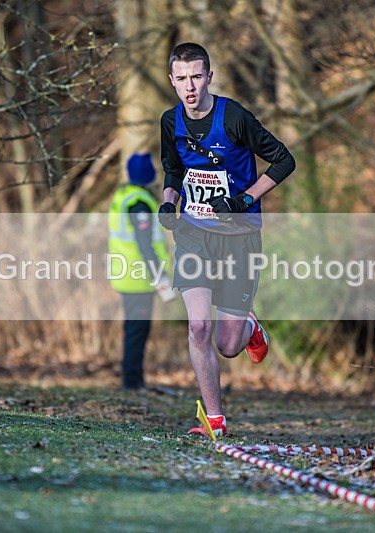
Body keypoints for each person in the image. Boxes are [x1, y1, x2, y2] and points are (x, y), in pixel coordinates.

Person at [157, 42, 295, 437]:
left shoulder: (234, 117)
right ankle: (214, 422)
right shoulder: (170, 122)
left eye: (197, 77)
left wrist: (243, 198)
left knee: (227, 345)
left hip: (239, 237)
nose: (190, 87)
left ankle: (248, 327)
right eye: (182, 79)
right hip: (194, 235)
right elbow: (172, 170)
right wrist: (169, 202)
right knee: (198, 327)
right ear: (172, 81)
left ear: (209, 77)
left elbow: (285, 160)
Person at [108, 153, 174, 391]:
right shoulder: (140, 203)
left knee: (134, 330)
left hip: (127, 275)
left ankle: (132, 380)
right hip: (139, 277)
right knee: (138, 331)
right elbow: (145, 244)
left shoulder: (123, 195)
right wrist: (160, 278)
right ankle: (132, 382)